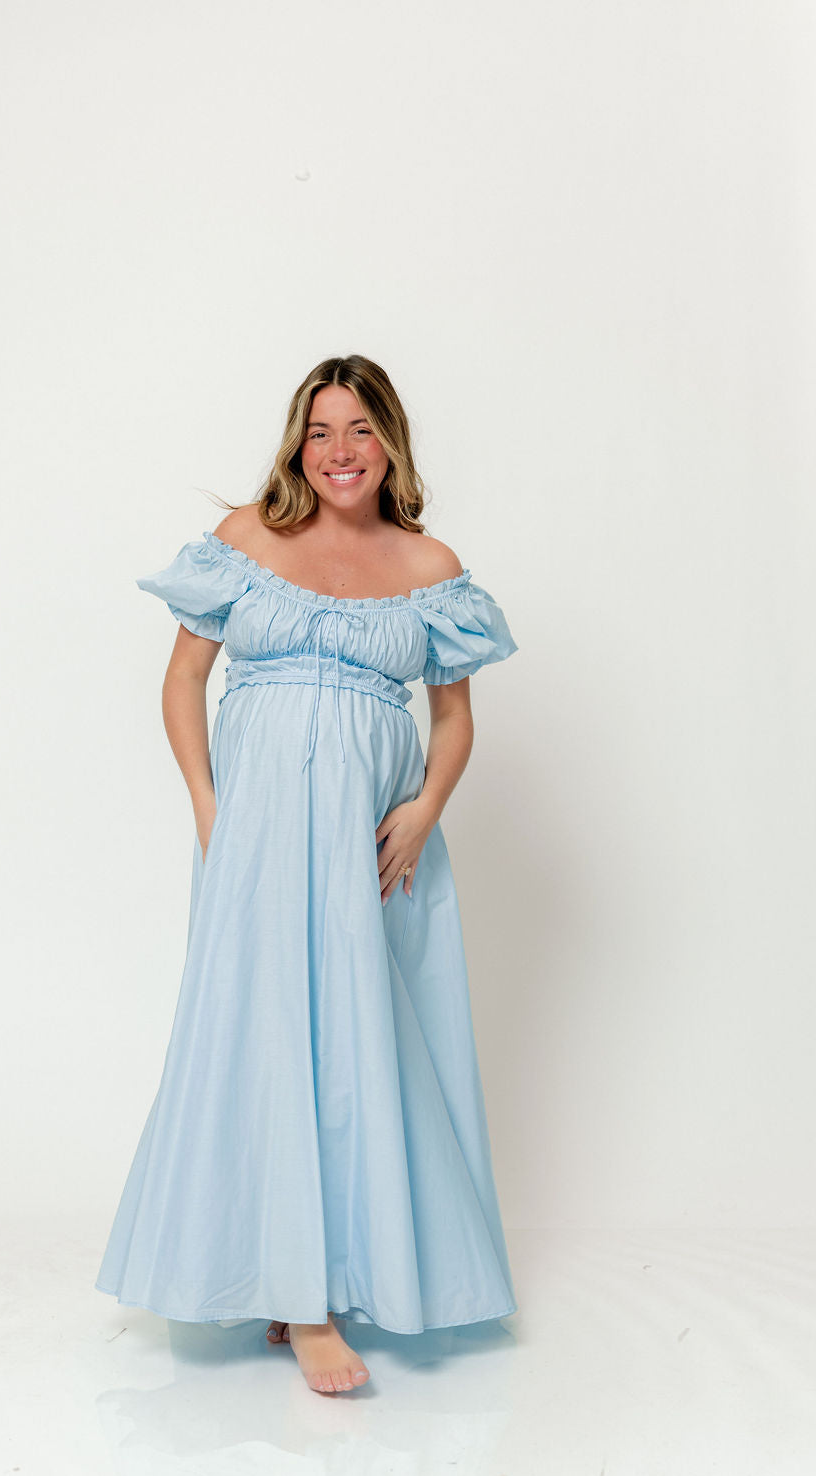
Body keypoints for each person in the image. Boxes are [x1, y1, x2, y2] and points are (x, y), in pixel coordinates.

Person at [96, 354, 519, 1395]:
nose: (339, 451)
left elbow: (454, 717)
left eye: (360, 429)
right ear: (297, 444)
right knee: (269, 1029)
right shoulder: (247, 538)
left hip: (372, 842)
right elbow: (183, 680)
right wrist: (212, 809)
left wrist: (424, 809)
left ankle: (332, 1273)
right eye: (321, 430)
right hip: (258, 835)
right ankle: (302, 1300)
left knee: (361, 1045)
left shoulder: (429, 565)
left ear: (391, 444)